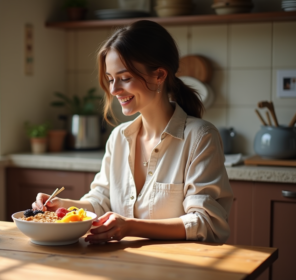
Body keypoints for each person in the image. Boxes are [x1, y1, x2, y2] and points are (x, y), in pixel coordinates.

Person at [33, 20, 233, 244]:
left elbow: (206, 222)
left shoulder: (200, 137)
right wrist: (63, 205)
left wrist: (129, 227)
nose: (113, 90)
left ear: (159, 76)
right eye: (110, 79)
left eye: (125, 78)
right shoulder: (119, 137)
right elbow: (101, 201)